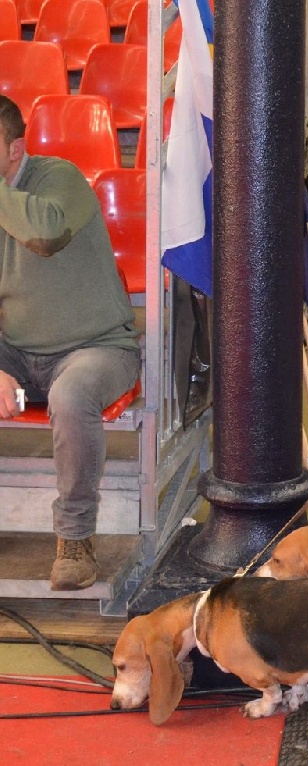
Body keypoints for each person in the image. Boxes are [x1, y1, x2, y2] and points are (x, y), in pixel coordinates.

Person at [0, 95, 141, 590]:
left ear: (15, 149)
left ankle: (76, 540)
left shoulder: (60, 178)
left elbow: (46, 233)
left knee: (71, 394)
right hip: (17, 354)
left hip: (97, 348)